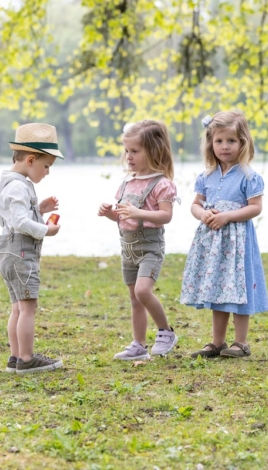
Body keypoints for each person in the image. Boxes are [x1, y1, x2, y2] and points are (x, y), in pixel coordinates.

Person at [180, 110, 268, 358]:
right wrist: (202, 215)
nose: (225, 146)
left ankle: (240, 342)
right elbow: (195, 204)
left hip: (237, 242)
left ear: (243, 143)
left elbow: (255, 207)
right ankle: (217, 341)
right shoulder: (206, 176)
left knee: (238, 288)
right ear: (211, 144)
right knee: (218, 288)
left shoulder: (249, 176)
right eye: (219, 141)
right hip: (213, 242)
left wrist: (227, 216)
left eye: (231, 141)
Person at [98, 120, 179, 360]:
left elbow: (166, 216)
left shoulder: (162, 184)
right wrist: (110, 214)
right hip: (128, 247)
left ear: (153, 151)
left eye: (135, 151)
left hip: (150, 247)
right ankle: (139, 345)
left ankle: (166, 332)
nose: (129, 156)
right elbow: (124, 219)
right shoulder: (127, 182)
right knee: (134, 298)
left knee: (144, 291)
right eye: (127, 151)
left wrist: (138, 212)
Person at [0, 123, 64, 374]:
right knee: (28, 307)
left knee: (17, 307)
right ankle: (26, 358)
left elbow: (15, 213)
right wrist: (46, 229)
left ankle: (15, 357)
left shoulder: (10, 183)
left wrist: (41, 209)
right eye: (46, 166)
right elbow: (20, 222)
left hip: (8, 252)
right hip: (20, 253)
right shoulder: (18, 186)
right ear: (31, 159)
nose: (47, 173)